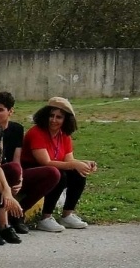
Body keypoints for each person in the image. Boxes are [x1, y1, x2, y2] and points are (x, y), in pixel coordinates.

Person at [24, 97, 98, 231]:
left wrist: (83, 163)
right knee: (60, 174)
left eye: (59, 117)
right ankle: (45, 218)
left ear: (65, 120)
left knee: (78, 173)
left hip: (51, 171)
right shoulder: (36, 132)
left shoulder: (64, 135)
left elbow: (69, 160)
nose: (53, 120)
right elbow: (45, 162)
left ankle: (67, 215)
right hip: (32, 171)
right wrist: (74, 164)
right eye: (51, 116)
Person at [0, 90, 61, 224]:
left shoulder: (17, 129)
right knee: (12, 168)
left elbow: (17, 159)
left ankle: (18, 213)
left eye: (0, 110)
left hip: (14, 172)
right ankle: (4, 219)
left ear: (10, 111)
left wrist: (20, 179)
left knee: (53, 173)